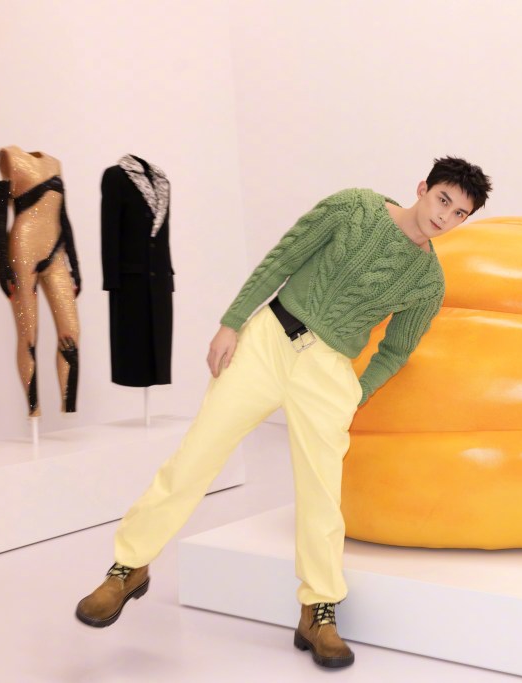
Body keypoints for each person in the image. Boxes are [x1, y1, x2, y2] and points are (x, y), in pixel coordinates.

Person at [75, 157, 492, 669]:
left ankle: (319, 609)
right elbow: (283, 258)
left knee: (322, 495)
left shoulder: (428, 282)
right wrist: (232, 322)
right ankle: (128, 567)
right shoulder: (354, 207)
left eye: (459, 213)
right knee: (195, 457)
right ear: (423, 187)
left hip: (329, 372)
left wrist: (356, 394)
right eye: (443, 200)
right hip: (268, 341)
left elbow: (396, 350)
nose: (445, 216)